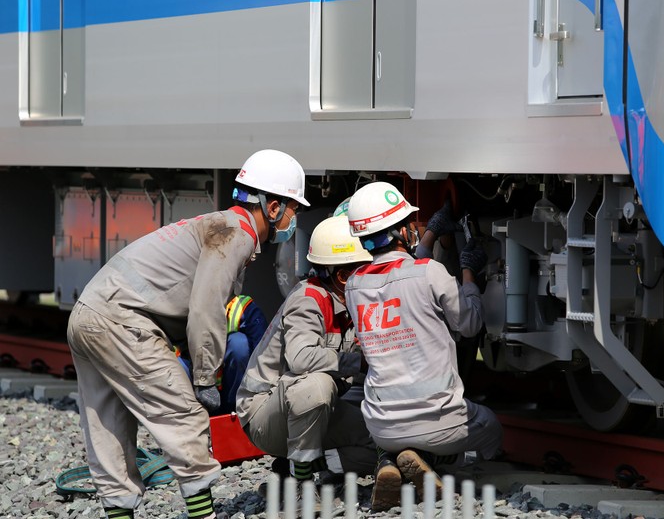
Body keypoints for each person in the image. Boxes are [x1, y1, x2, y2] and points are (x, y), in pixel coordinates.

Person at [65, 149, 309, 519]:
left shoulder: (216, 225)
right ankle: (202, 515)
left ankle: (118, 511)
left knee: (107, 425)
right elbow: (206, 306)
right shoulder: (236, 233)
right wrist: (206, 376)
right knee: (184, 417)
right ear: (272, 207)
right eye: (293, 209)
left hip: (88, 313)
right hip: (122, 320)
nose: (294, 219)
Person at [345, 181, 504, 511]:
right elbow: (470, 322)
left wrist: (429, 238)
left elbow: (402, 276)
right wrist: (468, 273)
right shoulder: (431, 272)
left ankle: (391, 461)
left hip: (381, 427)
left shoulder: (355, 285)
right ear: (402, 229)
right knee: (491, 428)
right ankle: (437, 466)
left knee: (406, 435)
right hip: (439, 421)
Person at [236, 215, 376, 502]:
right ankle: (301, 487)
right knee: (316, 386)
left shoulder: (347, 304)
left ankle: (303, 469)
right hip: (265, 413)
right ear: (343, 276)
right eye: (364, 269)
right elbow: (301, 359)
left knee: (377, 443)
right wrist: (358, 363)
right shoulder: (308, 299)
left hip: (312, 410)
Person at [176, 294, 268, 414]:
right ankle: (188, 415)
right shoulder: (185, 307)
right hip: (198, 396)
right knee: (177, 364)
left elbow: (263, 354)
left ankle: (237, 407)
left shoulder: (241, 306)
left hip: (234, 394)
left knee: (238, 344)